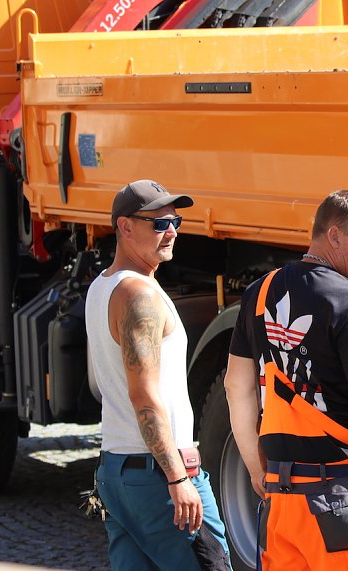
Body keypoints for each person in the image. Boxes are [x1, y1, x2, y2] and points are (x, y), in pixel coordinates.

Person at [224, 189, 348, 571]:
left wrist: (254, 467)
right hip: (344, 501)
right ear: (333, 235)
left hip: (283, 503)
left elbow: (237, 386)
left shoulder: (259, 292)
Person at [85, 179, 231, 570]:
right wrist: (178, 478)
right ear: (124, 227)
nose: (171, 232)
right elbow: (144, 395)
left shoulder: (102, 287)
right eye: (159, 223)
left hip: (117, 470)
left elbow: (100, 383)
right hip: (156, 476)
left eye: (175, 222)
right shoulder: (140, 296)